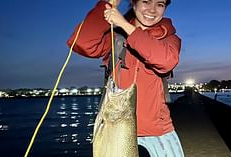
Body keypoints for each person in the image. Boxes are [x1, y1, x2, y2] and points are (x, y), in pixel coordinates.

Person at [67, 0, 184, 156]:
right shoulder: (115, 38)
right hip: (114, 127)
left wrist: (125, 25)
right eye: (146, 2)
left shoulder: (169, 38)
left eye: (160, 4)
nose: (152, 9)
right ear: (133, 4)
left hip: (158, 130)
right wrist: (107, 5)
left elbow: (166, 61)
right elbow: (82, 43)